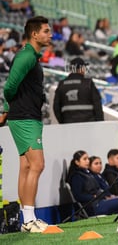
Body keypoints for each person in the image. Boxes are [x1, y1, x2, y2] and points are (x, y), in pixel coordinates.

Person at [2, 16, 52, 233]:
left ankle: (26, 219)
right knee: (37, 165)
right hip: (24, 117)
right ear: (34, 34)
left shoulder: (31, 55)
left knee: (26, 166)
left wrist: (7, 109)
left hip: (25, 115)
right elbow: (9, 86)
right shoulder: (26, 56)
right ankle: (29, 219)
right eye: (46, 31)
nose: (50, 35)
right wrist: (10, 107)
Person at [67, 150, 118, 216]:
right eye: (84, 159)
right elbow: (78, 196)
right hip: (93, 206)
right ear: (77, 162)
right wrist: (94, 197)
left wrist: (105, 196)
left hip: (100, 201)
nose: (87, 161)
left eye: (88, 159)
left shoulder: (88, 174)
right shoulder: (76, 177)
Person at [53, 57, 104, 124]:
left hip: (68, 124)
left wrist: (62, 122)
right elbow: (97, 105)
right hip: (88, 125)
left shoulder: (62, 84)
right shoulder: (88, 83)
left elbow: (56, 107)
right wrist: (100, 123)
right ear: (82, 68)